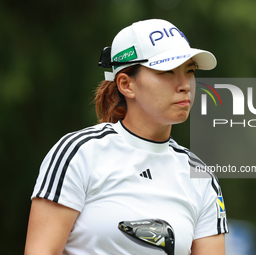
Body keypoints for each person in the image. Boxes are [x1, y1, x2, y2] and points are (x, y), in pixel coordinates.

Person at [25, 19, 228, 255]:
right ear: (126, 84)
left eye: (190, 71)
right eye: (167, 72)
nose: (185, 85)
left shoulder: (201, 177)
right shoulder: (79, 153)